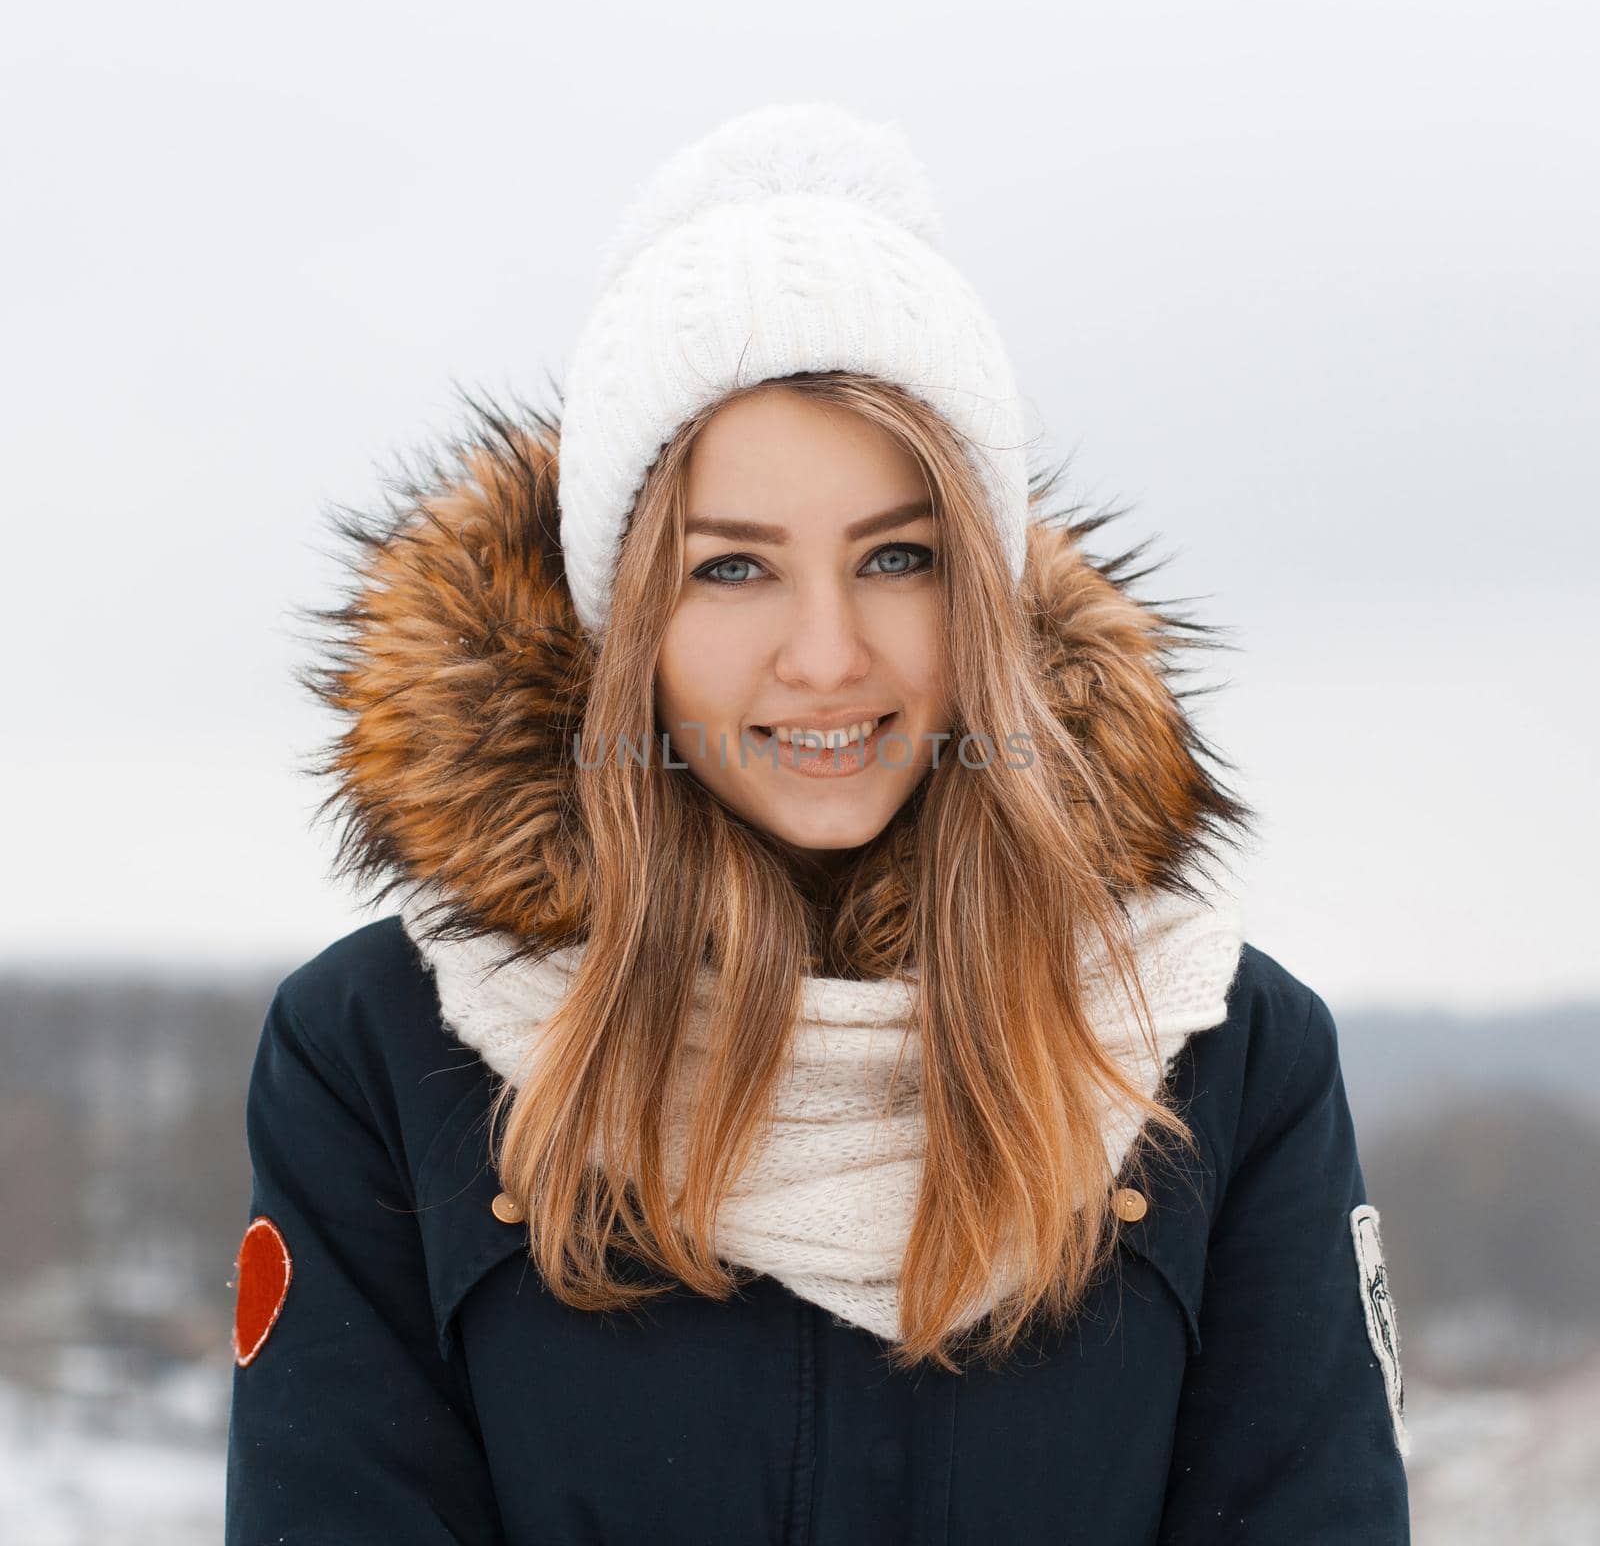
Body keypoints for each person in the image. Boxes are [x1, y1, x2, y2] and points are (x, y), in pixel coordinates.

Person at [224, 102, 1412, 1543]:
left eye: (898, 558)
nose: (829, 656)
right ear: (627, 622)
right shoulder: (383, 1051)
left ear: (980, 584)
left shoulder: (1221, 1057)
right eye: (734, 572)